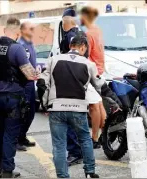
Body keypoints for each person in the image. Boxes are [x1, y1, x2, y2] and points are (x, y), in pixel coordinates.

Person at [37, 32, 120, 178]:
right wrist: (117, 102)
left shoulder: (53, 60)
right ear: (83, 47)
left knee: (59, 145)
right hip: (78, 109)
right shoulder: (88, 64)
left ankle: (63, 176)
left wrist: (45, 105)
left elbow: (42, 84)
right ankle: (89, 172)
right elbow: (102, 86)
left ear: (70, 46)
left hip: (56, 108)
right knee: (85, 139)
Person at [0, 17, 37, 178]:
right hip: (13, 99)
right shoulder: (17, 49)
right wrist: (38, 72)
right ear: (18, 33)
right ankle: (7, 171)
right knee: (10, 136)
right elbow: (29, 74)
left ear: (5, 31)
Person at [59, 8, 84, 167]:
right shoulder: (82, 36)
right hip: (80, 81)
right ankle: (80, 151)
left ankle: (75, 152)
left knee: (69, 120)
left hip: (69, 83)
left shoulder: (68, 38)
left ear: (65, 22)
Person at [80, 6, 107, 148]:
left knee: (94, 107)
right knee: (100, 104)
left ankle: (95, 138)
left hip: (91, 72)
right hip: (100, 70)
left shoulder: (88, 34)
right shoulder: (98, 31)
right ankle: (104, 135)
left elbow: (85, 55)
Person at [16, 21, 37, 151]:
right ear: (23, 30)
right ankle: (17, 140)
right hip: (24, 83)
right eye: (31, 28)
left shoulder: (30, 43)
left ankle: (22, 136)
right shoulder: (21, 45)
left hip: (31, 82)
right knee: (23, 113)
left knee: (31, 113)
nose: (33, 30)